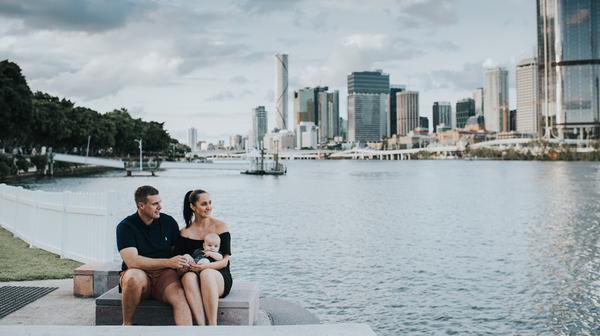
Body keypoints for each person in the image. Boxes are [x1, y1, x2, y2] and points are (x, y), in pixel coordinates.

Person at [116, 185, 192, 325]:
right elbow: (132, 261)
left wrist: (183, 263)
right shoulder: (125, 227)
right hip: (139, 274)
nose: (160, 207)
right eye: (155, 204)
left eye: (160, 202)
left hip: (164, 276)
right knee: (132, 277)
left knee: (179, 296)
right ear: (141, 205)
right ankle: (126, 327)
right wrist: (169, 262)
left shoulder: (168, 222)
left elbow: (177, 254)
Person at [175, 189, 233, 326]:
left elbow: (225, 262)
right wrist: (185, 267)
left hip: (218, 276)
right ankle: (201, 328)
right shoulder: (184, 233)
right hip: (193, 278)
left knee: (206, 273)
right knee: (188, 277)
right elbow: (178, 266)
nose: (209, 207)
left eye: (210, 203)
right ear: (192, 206)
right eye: (204, 204)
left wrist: (205, 266)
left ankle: (212, 326)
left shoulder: (221, 227)